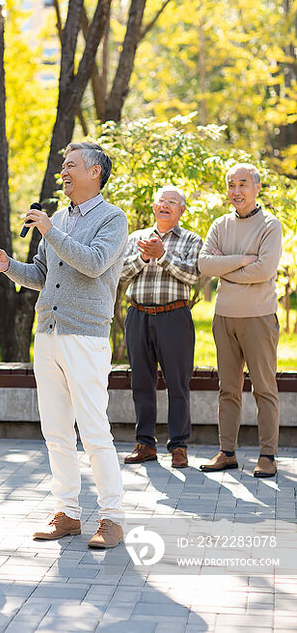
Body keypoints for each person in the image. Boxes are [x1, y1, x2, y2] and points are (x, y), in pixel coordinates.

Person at [0, 142, 128, 548]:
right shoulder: (59, 218)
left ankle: (111, 517)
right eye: (63, 165)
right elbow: (43, 274)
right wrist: (9, 267)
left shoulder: (113, 218)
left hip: (86, 335)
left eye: (71, 165)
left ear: (95, 172)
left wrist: (50, 230)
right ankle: (68, 513)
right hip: (48, 334)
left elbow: (94, 263)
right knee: (56, 431)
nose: (63, 171)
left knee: (95, 430)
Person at [198, 164, 282, 478]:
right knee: (227, 388)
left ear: (256, 187)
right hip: (224, 318)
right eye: (231, 184)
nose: (236, 191)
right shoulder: (220, 224)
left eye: (242, 184)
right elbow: (205, 264)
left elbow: (264, 270)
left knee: (265, 388)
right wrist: (241, 261)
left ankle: (267, 454)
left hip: (259, 317)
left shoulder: (270, 225)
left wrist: (227, 271)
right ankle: (227, 451)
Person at [121, 186, 202, 469]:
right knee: (141, 382)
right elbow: (119, 273)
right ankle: (145, 443)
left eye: (172, 202)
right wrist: (144, 257)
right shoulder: (136, 238)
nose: (165, 205)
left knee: (178, 384)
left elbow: (192, 276)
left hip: (174, 317)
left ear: (182, 210)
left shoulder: (192, 240)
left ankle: (178, 446)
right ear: (154, 207)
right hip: (138, 315)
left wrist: (163, 254)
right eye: (161, 201)